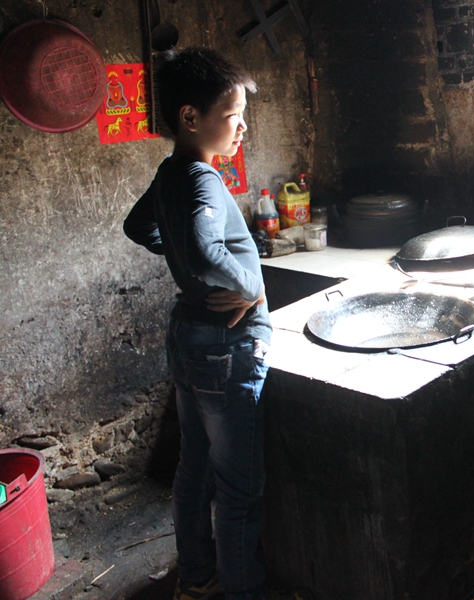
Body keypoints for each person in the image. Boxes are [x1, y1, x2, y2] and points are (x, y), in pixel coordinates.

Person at [123, 47, 271, 600]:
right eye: (233, 115)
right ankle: (242, 591)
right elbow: (209, 252)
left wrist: (183, 254)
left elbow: (137, 227)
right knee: (238, 489)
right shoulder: (203, 178)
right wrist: (249, 287)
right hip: (225, 347)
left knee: (194, 468)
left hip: (189, 336)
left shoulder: (170, 173)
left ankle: (197, 578)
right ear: (191, 117)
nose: (242, 126)